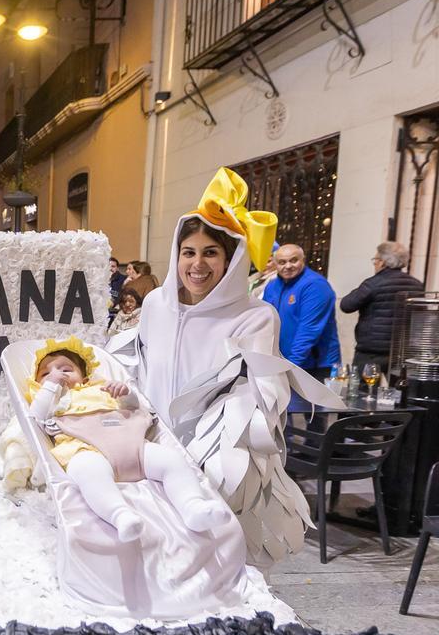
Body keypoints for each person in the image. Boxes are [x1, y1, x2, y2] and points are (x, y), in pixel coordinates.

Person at [119, 166, 340, 570]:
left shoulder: (256, 317)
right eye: (189, 252)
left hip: (212, 462)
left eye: (210, 253)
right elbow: (140, 367)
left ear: (231, 258)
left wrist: (214, 450)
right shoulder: (154, 306)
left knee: (206, 559)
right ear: (176, 254)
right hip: (149, 449)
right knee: (152, 556)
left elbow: (263, 395)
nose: (197, 264)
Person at [28, 338, 229, 542]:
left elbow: (135, 409)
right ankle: (120, 515)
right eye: (46, 373)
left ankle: (193, 506)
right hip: (85, 448)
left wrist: (125, 394)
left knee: (172, 461)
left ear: (85, 377)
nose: (57, 374)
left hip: (132, 443)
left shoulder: (101, 388)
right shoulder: (53, 399)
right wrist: (50, 387)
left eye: (65, 369)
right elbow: (35, 417)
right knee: (88, 471)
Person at [339, 240, 424, 378]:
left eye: (375, 260)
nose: (375, 264)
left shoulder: (373, 283)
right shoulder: (417, 285)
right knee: (398, 394)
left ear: (382, 262)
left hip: (371, 352)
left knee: (363, 393)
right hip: (401, 352)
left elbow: (346, 305)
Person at [262, 243, 341, 380]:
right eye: (282, 262)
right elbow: (264, 321)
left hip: (314, 366)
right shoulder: (272, 286)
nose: (288, 266)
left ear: (303, 259)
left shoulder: (315, 286)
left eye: (293, 260)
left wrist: (290, 367)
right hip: (282, 363)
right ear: (276, 264)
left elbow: (308, 331)